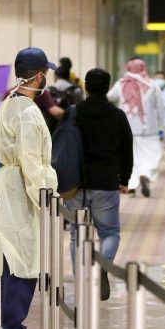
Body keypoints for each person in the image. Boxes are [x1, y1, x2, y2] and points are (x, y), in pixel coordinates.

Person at [0, 47, 58, 329]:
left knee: (13, 259)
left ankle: (11, 328)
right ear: (40, 76)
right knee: (24, 262)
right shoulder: (28, 112)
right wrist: (44, 197)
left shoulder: (9, 103)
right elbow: (30, 159)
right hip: (22, 190)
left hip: (10, 185)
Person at [67, 68, 133, 300]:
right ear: (108, 88)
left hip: (76, 184)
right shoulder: (118, 116)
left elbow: (62, 145)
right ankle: (103, 266)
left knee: (76, 234)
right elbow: (127, 150)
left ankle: (81, 282)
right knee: (109, 232)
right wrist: (124, 179)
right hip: (106, 182)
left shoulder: (73, 113)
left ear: (86, 87)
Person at [107, 57, 164, 198]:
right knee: (150, 156)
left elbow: (108, 98)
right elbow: (160, 107)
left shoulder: (120, 84)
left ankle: (131, 185)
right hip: (148, 129)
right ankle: (145, 175)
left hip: (126, 129)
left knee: (129, 157)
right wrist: (161, 125)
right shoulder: (152, 85)